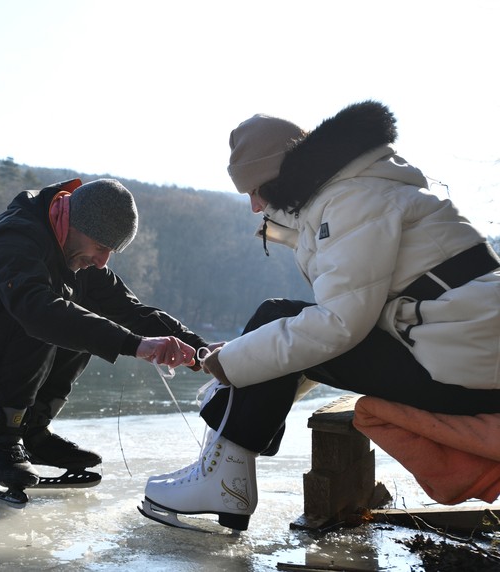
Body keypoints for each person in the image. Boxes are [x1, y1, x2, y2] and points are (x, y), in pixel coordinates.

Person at [142, 100, 500, 531]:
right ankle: (222, 474)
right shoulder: (364, 186)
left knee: (276, 320)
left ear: (279, 174)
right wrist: (243, 354)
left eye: (255, 191)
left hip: (469, 377)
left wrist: (234, 362)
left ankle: (225, 479)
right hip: (464, 360)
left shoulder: (352, 199)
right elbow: (351, 317)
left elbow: (339, 325)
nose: (255, 207)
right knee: (276, 328)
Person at [0, 178, 212, 503]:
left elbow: (131, 311)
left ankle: (31, 430)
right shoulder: (16, 236)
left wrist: (203, 351)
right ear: (75, 224)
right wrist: (135, 345)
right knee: (40, 311)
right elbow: (35, 310)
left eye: (112, 251)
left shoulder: (72, 250)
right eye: (101, 247)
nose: (103, 261)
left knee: (85, 306)